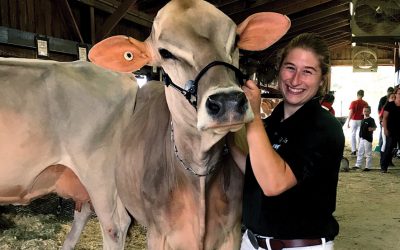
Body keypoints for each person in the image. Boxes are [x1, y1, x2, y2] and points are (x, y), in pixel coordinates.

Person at [229, 33, 345, 250]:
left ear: (321, 80)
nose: (295, 80)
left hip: (297, 246)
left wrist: (252, 116)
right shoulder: (274, 121)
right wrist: (227, 140)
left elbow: (273, 183)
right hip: (252, 242)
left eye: (307, 72)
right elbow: (256, 168)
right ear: (279, 69)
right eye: (290, 68)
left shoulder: (324, 127)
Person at [380, 86, 400, 173]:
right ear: (395, 94)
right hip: (391, 130)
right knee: (389, 148)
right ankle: (384, 167)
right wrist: (385, 129)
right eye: (399, 93)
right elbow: (384, 118)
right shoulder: (390, 105)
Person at [353, 106, 376, 171]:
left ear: (370, 112)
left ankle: (368, 167)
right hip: (361, 138)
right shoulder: (363, 120)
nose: (366, 112)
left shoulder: (371, 120)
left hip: (367, 139)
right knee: (360, 152)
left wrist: (371, 129)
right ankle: (358, 165)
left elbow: (374, 127)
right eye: (364, 111)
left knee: (368, 153)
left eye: (367, 111)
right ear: (362, 112)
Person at [347, 90, 368, 155]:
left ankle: (353, 150)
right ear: (363, 95)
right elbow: (366, 113)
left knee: (353, 134)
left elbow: (351, 112)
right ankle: (360, 150)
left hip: (354, 120)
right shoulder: (365, 103)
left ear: (357, 95)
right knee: (360, 135)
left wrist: (348, 121)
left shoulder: (353, 102)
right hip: (361, 120)